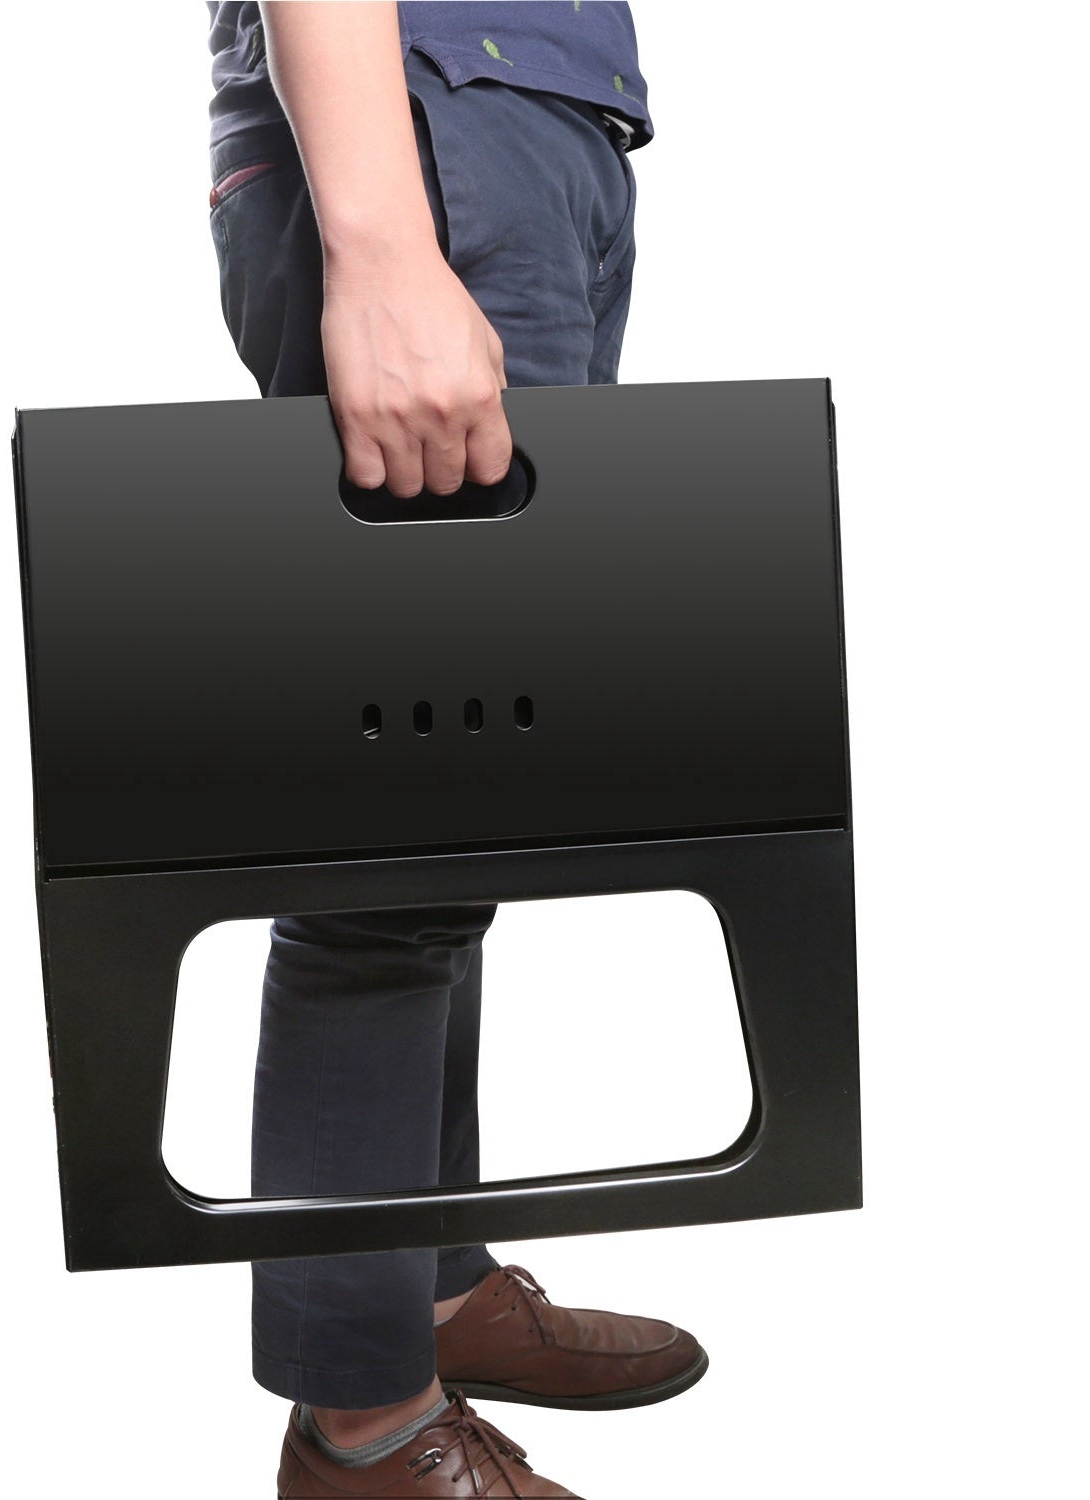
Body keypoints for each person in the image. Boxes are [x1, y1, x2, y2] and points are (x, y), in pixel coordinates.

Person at [204, 5, 706, 1494]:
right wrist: (382, 245)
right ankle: (362, 1421)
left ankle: (425, 1282)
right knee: (393, 835)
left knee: (464, 796)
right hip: (427, 138)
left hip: (519, 137)